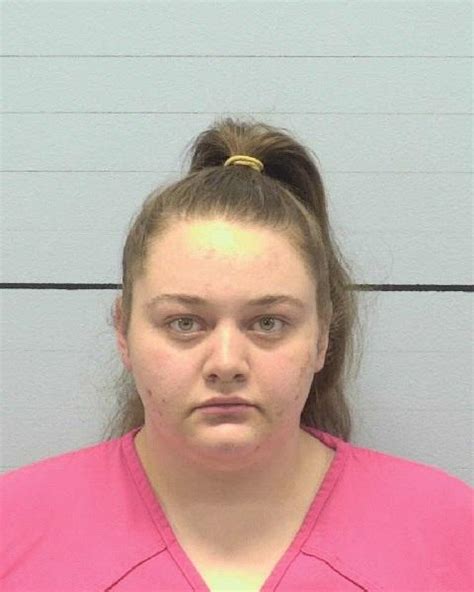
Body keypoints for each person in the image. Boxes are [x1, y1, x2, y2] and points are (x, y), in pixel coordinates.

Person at [0, 117, 472, 592]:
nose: (226, 364)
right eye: (184, 323)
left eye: (268, 323)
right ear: (123, 331)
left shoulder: (449, 531)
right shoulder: (13, 527)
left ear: (322, 337)